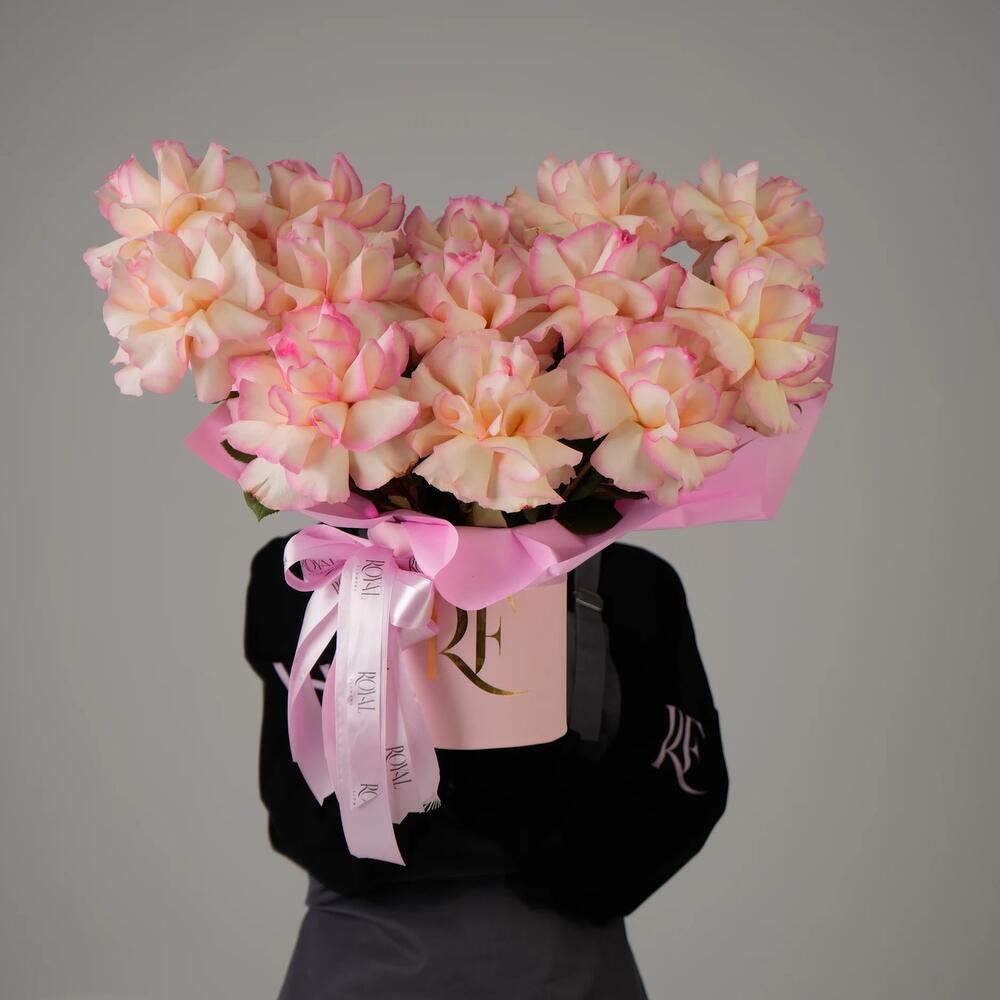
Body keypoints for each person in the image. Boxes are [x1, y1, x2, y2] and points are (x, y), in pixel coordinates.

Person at [244, 536, 729, 999]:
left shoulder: (634, 584)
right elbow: (303, 810)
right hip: (381, 970)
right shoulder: (309, 568)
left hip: (554, 972)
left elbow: (676, 807)